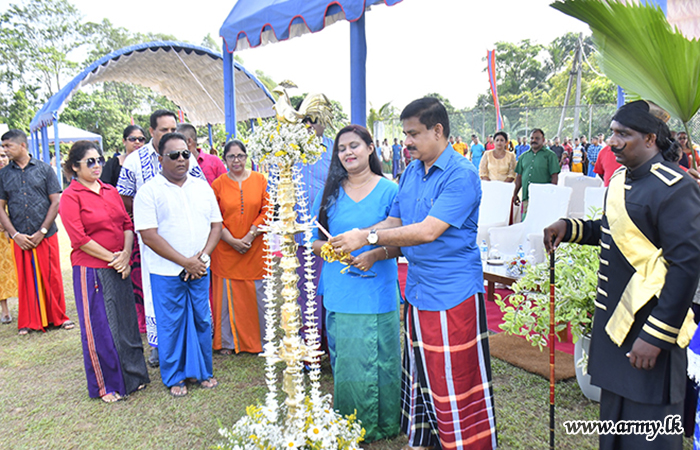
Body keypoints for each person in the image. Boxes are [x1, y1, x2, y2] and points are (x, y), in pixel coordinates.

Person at [330, 97, 496, 450]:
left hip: (454, 295)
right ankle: (425, 440)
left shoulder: (460, 174)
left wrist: (368, 236)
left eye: (413, 134)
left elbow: (426, 231)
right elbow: (396, 223)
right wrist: (366, 246)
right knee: (423, 376)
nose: (406, 142)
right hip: (419, 292)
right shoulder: (411, 173)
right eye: (405, 134)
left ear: (438, 131)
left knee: (456, 380)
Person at [544, 100, 700, 450]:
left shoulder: (675, 187)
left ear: (650, 139)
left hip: (647, 331)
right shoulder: (621, 178)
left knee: (650, 436)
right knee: (615, 434)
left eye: (622, 134)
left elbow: (686, 266)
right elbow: (615, 231)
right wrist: (570, 228)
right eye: (612, 133)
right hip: (616, 331)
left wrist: (656, 337)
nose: (612, 142)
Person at [311, 124, 401, 442]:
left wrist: (374, 254)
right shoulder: (331, 191)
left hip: (377, 289)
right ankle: (349, 422)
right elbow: (314, 241)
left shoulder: (390, 190)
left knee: (383, 360)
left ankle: (385, 424)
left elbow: (403, 242)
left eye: (354, 145)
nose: (348, 152)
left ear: (370, 148)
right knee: (346, 361)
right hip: (340, 289)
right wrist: (337, 252)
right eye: (341, 148)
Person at [59, 141, 150, 403]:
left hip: (120, 263)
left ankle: (134, 378)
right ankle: (106, 385)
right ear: (75, 167)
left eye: (99, 159)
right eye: (90, 161)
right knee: (100, 326)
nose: (97, 165)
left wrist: (124, 255)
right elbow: (79, 238)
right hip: (92, 268)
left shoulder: (110, 190)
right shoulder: (71, 196)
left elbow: (126, 223)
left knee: (126, 323)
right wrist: (113, 258)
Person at [134, 132, 222, 397]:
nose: (182, 159)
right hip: (166, 272)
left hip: (200, 269)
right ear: (161, 159)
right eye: (174, 155)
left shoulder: (201, 187)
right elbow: (149, 235)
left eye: (186, 153)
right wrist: (185, 262)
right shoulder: (149, 192)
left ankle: (204, 371)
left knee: (201, 320)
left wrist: (202, 258)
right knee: (171, 325)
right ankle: (175, 377)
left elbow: (216, 226)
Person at [117, 109, 206, 367]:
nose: (170, 133)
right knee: (157, 295)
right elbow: (124, 196)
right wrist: (149, 216)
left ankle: (193, 350)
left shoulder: (186, 157)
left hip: (189, 240)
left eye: (173, 128)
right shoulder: (135, 161)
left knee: (191, 291)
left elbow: (200, 190)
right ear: (152, 132)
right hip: (154, 243)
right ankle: (161, 348)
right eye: (164, 130)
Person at [0, 129, 73, 335]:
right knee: (25, 279)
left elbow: (56, 200)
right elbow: (0, 206)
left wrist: (42, 230)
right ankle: (28, 322)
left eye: (8, 146)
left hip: (46, 234)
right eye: (3, 146)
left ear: (22, 146)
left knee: (52, 277)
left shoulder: (44, 169)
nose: (4, 150)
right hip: (19, 236)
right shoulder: (3, 175)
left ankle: (59, 318)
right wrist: (14, 234)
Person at [210, 140, 268, 355]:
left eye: (240, 155)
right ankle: (226, 342)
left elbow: (267, 209)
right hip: (226, 249)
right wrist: (233, 241)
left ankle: (259, 341)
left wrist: (250, 235)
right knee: (226, 297)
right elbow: (214, 217)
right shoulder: (218, 184)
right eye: (231, 156)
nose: (236, 160)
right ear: (224, 159)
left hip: (255, 247)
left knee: (257, 295)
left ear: (246, 157)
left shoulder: (260, 180)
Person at [101, 125, 148, 333]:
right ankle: (133, 317)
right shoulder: (114, 164)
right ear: (124, 141)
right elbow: (106, 193)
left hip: (144, 223)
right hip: (123, 226)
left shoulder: (149, 161)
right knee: (128, 271)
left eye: (141, 139)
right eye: (132, 138)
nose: (137, 142)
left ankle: (148, 316)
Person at [296, 112, 334, 351]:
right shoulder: (288, 149)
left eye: (315, 120)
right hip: (301, 235)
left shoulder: (335, 148)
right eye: (305, 121)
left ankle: (332, 345)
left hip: (330, 233)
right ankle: (310, 349)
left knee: (329, 291)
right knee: (307, 294)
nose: (310, 125)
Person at [512, 128, 560, 218]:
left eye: (537, 138)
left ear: (543, 140)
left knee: (541, 222)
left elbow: (554, 176)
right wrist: (515, 194)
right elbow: (519, 177)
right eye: (532, 138)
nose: (534, 140)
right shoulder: (523, 156)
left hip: (543, 197)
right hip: (526, 197)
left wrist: (551, 194)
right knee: (525, 222)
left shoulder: (550, 156)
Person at [0, 146, 17, 324]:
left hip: (13, 230)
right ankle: (4, 310)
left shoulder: (12, 175)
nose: (1, 159)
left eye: (3, 155)